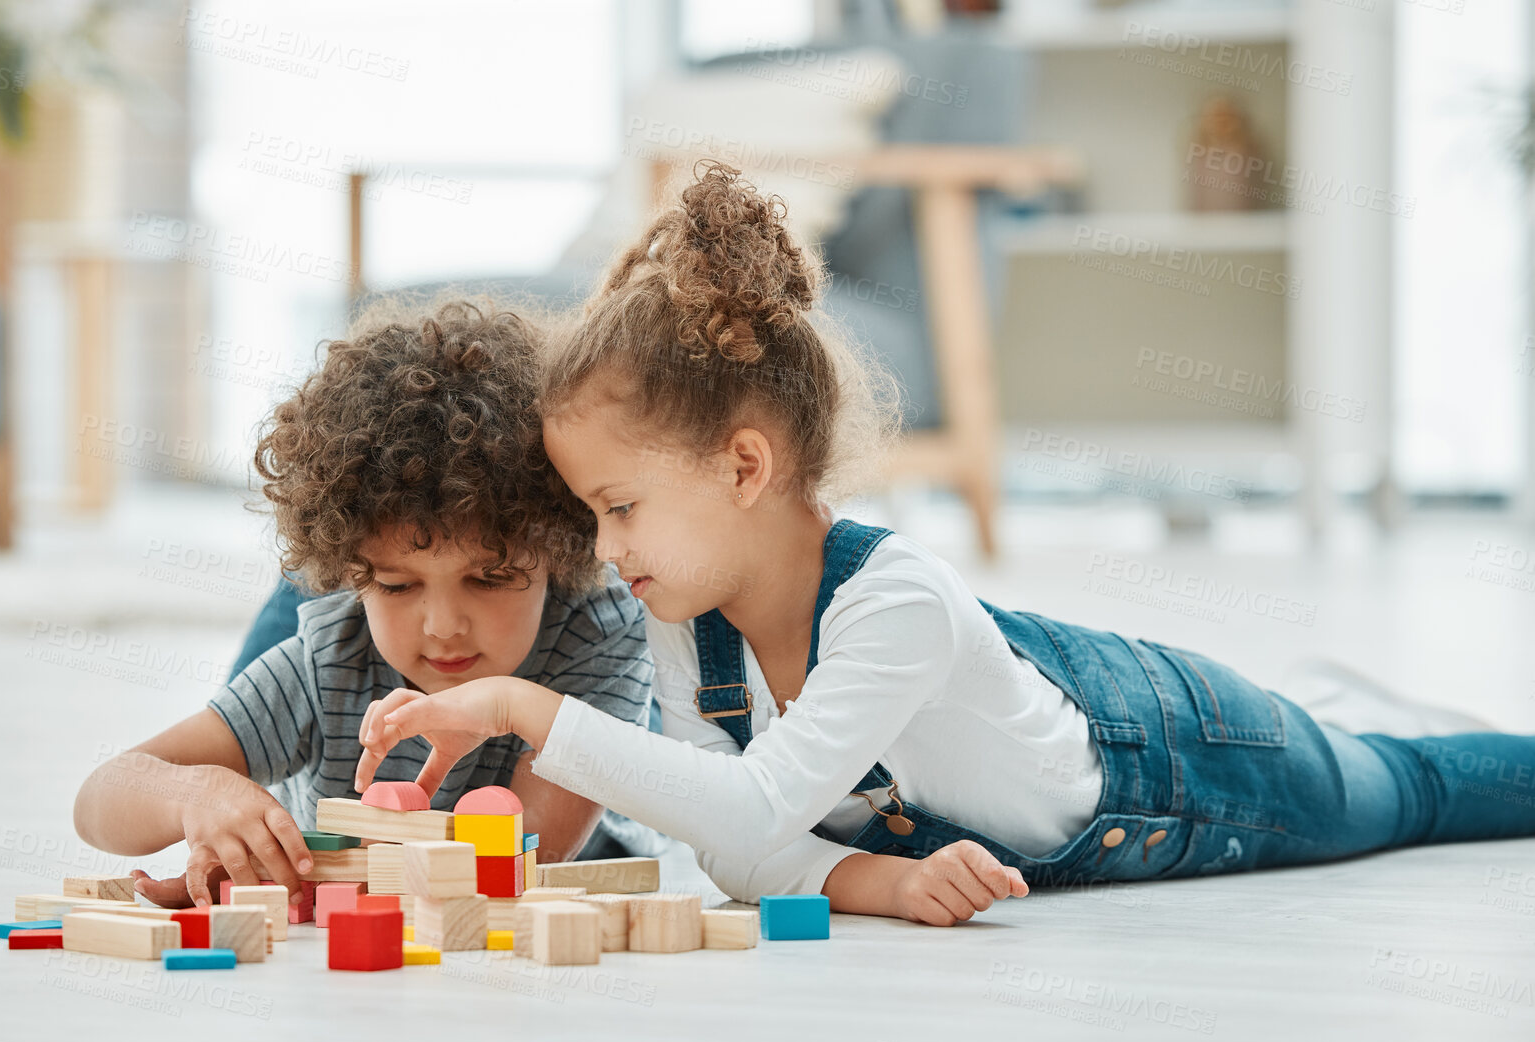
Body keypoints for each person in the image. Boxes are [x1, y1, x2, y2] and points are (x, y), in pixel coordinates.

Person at [353, 163, 1535, 927]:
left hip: (1181, 766)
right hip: (1054, 825)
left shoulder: (894, 600)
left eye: (620, 507)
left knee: (1409, 787)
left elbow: (756, 805)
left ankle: (1352, 720)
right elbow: (743, 860)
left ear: (746, 467)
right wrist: (888, 884)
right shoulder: (688, 626)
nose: (606, 550)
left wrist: (516, 708)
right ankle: (1334, 703)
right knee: (1370, 740)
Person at [73, 299, 653, 909]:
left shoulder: (601, 635)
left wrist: (291, 872)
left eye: (489, 578)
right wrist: (197, 798)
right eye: (400, 585)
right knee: (299, 603)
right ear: (357, 575)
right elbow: (99, 798)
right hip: (334, 612)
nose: (444, 627)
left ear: (556, 551)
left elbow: (509, 863)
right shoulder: (326, 660)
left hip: (592, 808)